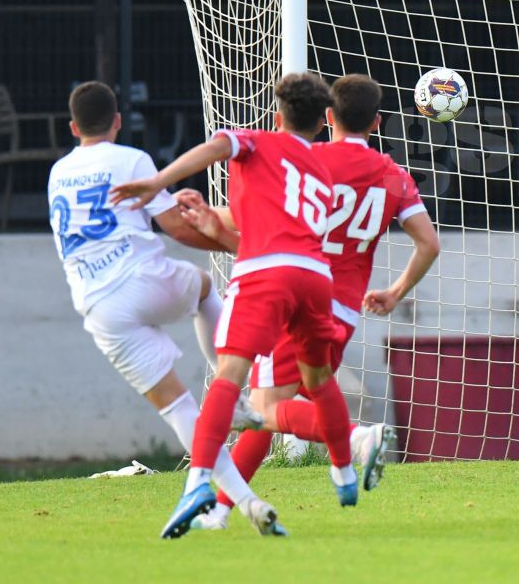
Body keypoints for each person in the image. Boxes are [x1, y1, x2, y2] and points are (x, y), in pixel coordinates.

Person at [183, 73, 440, 530]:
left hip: (292, 295)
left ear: (327, 117)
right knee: (292, 398)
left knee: (261, 409)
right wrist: (396, 292)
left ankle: (359, 440)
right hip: (340, 306)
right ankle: (221, 510)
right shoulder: (394, 175)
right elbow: (429, 244)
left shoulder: (308, 157)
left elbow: (261, 214)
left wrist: (211, 224)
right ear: (377, 122)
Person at [111, 72, 359, 539]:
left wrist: (157, 182)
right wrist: (215, 224)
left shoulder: (257, 142)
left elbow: (214, 149)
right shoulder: (322, 170)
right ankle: (344, 473)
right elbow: (276, 232)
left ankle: (198, 482)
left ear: (276, 114)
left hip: (265, 274)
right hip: (315, 277)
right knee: (319, 380)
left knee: (229, 377)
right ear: (320, 125)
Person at [47, 81, 274, 534]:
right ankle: (231, 397)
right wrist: (239, 241)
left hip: (97, 307)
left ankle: (234, 500)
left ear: (73, 127)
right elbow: (179, 231)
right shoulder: (130, 159)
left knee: (178, 409)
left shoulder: (57, 171)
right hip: (139, 277)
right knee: (205, 286)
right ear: (116, 121)